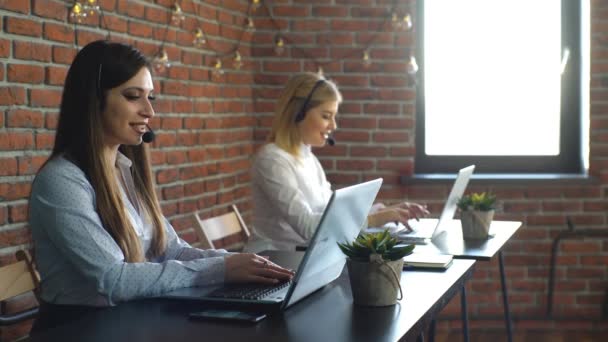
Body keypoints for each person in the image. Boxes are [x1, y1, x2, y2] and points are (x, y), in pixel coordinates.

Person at [28, 40, 293, 307]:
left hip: (128, 319)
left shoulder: (123, 170)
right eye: (133, 96)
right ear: (93, 100)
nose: (149, 111)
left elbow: (169, 250)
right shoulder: (61, 181)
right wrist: (220, 270)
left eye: (150, 97)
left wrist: (233, 263)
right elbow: (113, 278)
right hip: (78, 329)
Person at [245, 72, 429, 252]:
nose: (334, 126)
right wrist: (375, 219)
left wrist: (385, 211)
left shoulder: (308, 158)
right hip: (274, 262)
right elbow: (310, 229)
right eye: (326, 116)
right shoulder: (272, 160)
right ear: (297, 114)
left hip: (304, 258)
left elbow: (329, 213)